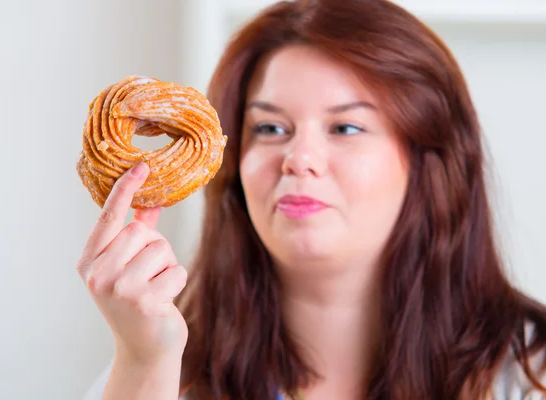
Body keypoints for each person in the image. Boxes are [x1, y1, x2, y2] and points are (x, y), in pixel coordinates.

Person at [76, 0, 546, 398]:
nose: (299, 159)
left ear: (428, 161)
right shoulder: (154, 372)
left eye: (346, 127)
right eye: (270, 128)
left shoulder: (529, 374)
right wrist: (143, 364)